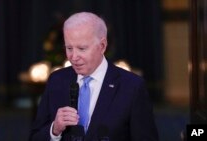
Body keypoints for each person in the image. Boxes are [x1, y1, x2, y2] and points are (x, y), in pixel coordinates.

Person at [29, 12, 159, 141]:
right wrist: (54, 130)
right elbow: (35, 137)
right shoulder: (56, 80)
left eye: (82, 48)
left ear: (102, 46)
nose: (74, 57)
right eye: (69, 48)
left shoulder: (131, 86)